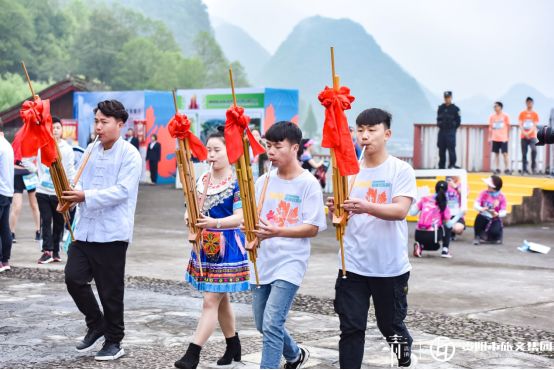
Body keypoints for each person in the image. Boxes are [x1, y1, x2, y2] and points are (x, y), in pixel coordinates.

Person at [327, 108, 417, 368]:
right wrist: (337, 209)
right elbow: (343, 214)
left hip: (389, 267)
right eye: (360, 130)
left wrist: (365, 206)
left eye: (372, 130)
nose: (364, 136)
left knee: (389, 325)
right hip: (352, 264)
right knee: (351, 327)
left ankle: (402, 347)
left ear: (386, 134)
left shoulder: (400, 170)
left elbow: (400, 211)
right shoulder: (349, 172)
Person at [62, 100, 142, 361]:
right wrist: (69, 195)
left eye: (104, 122)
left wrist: (84, 195)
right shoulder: (90, 149)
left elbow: (122, 191)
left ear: (120, 124)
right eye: (96, 121)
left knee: (110, 290)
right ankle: (96, 323)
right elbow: (78, 182)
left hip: (112, 233)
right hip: (85, 230)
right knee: (73, 277)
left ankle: (114, 341)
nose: (98, 126)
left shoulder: (129, 154)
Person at [251, 121, 327, 369]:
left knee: (273, 323)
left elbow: (313, 227)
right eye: (268, 145)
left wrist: (278, 231)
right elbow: (251, 217)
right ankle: (294, 354)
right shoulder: (263, 181)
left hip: (290, 261)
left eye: (277, 146)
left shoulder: (308, 183)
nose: (270, 151)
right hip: (262, 260)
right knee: (262, 323)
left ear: (295, 148)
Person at [174, 128, 250, 369]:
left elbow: (240, 217)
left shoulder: (238, 182)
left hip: (228, 248)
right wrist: (189, 216)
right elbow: (192, 206)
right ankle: (233, 343)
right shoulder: (203, 179)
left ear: (231, 151)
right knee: (221, 299)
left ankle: (193, 353)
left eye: (217, 150)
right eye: (209, 150)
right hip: (206, 247)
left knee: (210, 300)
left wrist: (214, 223)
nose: (212, 155)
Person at [36, 117, 75, 264]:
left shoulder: (67, 149)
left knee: (59, 222)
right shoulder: (42, 146)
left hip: (58, 192)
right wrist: (37, 175)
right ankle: (47, 251)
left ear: (62, 130)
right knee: (46, 221)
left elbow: (70, 169)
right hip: (42, 191)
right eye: (53, 127)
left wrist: (70, 187)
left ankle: (56, 251)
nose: (55, 130)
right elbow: (33, 161)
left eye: (58, 127)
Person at [9, 136, 41, 244]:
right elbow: (13, 158)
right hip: (17, 175)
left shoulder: (34, 140)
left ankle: (38, 231)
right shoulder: (18, 139)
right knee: (16, 206)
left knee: (34, 205)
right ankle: (11, 232)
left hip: (30, 175)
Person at [411, 180, 453, 258]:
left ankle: (420, 246)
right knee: (446, 227)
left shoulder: (424, 199)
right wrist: (460, 215)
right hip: (432, 235)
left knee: (435, 245)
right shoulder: (443, 203)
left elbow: (412, 213)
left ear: (435, 189)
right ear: (446, 190)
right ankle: (445, 250)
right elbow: (449, 224)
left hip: (418, 234)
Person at [473, 175, 506, 245]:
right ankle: (478, 236)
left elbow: (504, 211)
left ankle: (494, 237)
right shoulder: (483, 193)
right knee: (479, 218)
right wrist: (481, 208)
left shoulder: (501, 196)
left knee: (495, 233)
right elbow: (475, 204)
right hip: (484, 216)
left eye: (490, 185)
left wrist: (498, 214)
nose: (487, 186)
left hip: (494, 218)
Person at [0, 123, 14, 272]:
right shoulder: (7, 145)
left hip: (0, 191)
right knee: (4, 227)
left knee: (3, 227)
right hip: (7, 191)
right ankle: (5, 260)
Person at [437, 91, 461, 169]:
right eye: (445, 98)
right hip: (442, 131)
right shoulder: (441, 108)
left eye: (448, 97)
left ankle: (452, 165)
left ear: (451, 98)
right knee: (441, 149)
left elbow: (458, 122)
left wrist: (453, 128)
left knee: (451, 149)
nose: (447, 99)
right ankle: (441, 166)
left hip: (450, 132)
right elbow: (438, 119)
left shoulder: (455, 109)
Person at [518, 97, 540, 175]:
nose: (529, 104)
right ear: (526, 103)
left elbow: (535, 125)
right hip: (523, 136)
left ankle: (533, 167)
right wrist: (524, 133)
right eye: (528, 102)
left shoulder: (535, 114)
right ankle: (524, 169)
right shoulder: (522, 113)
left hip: (532, 136)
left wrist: (529, 133)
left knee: (534, 150)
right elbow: (520, 124)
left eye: (530, 102)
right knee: (524, 153)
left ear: (532, 103)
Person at [488, 102, 511, 174]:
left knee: (505, 153)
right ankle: (497, 168)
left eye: (496, 106)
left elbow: (509, 126)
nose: (495, 108)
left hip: (503, 138)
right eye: (494, 107)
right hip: (495, 138)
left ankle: (507, 168)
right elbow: (490, 127)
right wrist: (489, 137)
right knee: (496, 154)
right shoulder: (492, 117)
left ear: (500, 107)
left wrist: (507, 136)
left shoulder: (505, 116)